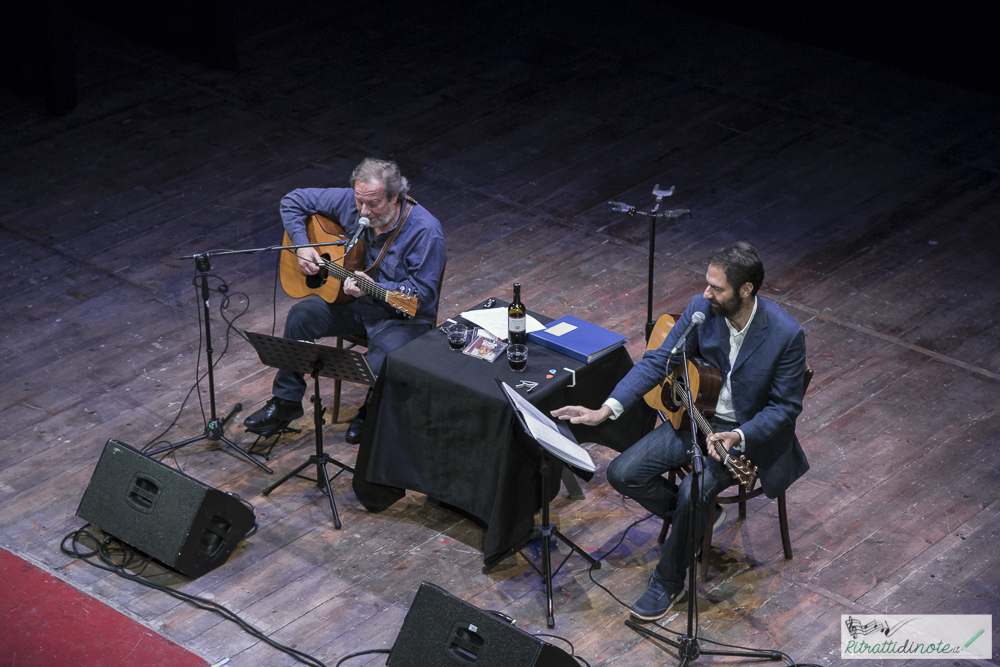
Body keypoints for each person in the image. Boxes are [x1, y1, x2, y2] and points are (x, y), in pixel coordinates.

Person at [551, 241, 808, 621]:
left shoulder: (786, 334)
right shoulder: (702, 309)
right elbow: (658, 361)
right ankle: (700, 518)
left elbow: (785, 408)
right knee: (623, 473)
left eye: (716, 287)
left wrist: (737, 437)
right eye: (707, 284)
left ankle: (668, 581)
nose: (706, 293)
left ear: (746, 290)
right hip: (697, 419)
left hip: (747, 433)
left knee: (694, 488)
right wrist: (605, 410)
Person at [244, 158, 447, 443]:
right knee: (301, 316)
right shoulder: (352, 202)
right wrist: (302, 245)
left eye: (373, 204)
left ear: (395, 197)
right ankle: (287, 401)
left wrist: (377, 288)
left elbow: (423, 297)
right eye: (359, 201)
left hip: (400, 318)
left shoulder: (425, 231)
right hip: (354, 304)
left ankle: (371, 412)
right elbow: (293, 200)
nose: (363, 212)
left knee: (378, 364)